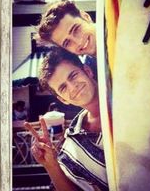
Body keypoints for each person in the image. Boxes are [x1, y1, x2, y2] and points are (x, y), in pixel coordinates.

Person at [25, 47, 108, 191]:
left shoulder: (126, 103)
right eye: (63, 88)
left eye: (73, 76)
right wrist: (51, 165)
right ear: (62, 99)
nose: (73, 87)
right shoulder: (73, 140)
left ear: (88, 71)